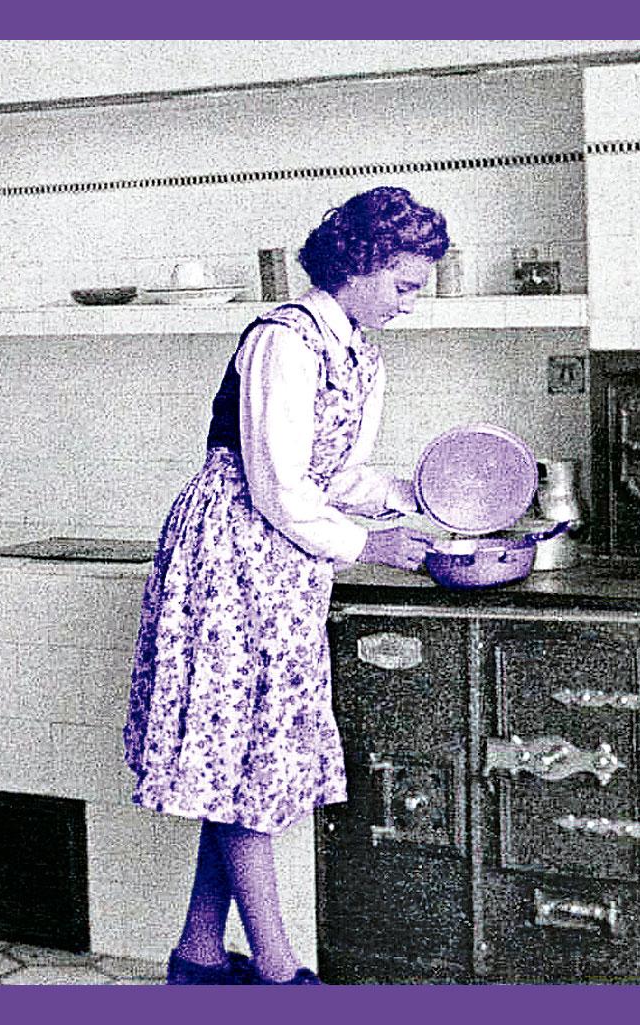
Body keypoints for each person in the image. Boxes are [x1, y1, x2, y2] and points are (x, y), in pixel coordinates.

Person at [124, 186, 444, 986]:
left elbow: (334, 473)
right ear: (361, 265)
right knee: (247, 759)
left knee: (245, 755)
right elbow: (275, 485)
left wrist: (425, 492)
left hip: (286, 564)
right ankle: (276, 973)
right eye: (405, 284)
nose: (411, 302)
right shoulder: (285, 341)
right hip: (233, 552)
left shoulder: (360, 351)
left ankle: (198, 958)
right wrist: (369, 543)